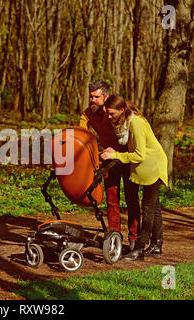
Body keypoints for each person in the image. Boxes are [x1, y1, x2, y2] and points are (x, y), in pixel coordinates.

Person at [100, 94, 168, 261]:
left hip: (153, 167)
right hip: (146, 167)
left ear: (122, 110)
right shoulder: (127, 122)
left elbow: (139, 155)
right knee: (155, 207)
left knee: (148, 208)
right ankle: (157, 244)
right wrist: (114, 152)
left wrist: (115, 155)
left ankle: (140, 248)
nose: (109, 117)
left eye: (111, 113)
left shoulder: (135, 123)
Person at [80, 81, 141, 252]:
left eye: (96, 97)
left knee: (131, 199)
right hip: (109, 159)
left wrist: (121, 152)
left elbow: (132, 132)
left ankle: (135, 238)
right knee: (112, 199)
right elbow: (81, 134)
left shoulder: (115, 111)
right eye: (91, 96)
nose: (92, 100)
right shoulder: (87, 114)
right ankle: (115, 236)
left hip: (127, 157)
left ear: (106, 97)